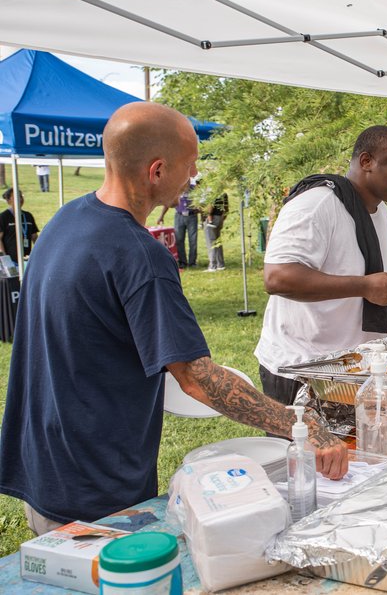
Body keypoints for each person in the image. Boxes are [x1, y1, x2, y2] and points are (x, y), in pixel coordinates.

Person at [0, 102, 348, 535]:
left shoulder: (66, 218)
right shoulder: (138, 255)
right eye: (190, 164)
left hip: (45, 465)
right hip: (95, 489)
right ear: (158, 170)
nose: (194, 176)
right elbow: (197, 378)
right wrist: (302, 426)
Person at [255, 126, 387, 406]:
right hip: (302, 370)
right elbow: (278, 278)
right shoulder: (317, 204)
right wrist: (365, 287)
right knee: (306, 451)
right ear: (366, 162)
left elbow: (382, 267)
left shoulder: (378, 208)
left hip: (355, 366)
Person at [157, 179, 200, 268]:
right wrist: (161, 216)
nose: (186, 183)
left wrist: (200, 210)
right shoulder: (177, 190)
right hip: (179, 216)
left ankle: (192, 262)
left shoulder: (195, 190)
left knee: (193, 240)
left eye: (187, 181)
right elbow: (168, 203)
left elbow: (201, 203)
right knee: (179, 239)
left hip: (191, 216)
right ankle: (182, 262)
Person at [0, 188, 39, 260]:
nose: (20, 199)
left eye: (21, 196)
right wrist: (4, 258)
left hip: (26, 259)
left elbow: (34, 237)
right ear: (8, 200)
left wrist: (39, 252)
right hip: (11, 260)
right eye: (16, 196)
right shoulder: (3, 217)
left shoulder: (28, 216)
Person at [204, 191, 229, 272]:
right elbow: (226, 208)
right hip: (219, 217)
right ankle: (220, 264)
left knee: (211, 242)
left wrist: (209, 218)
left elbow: (210, 207)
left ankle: (212, 265)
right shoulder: (224, 194)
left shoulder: (211, 192)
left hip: (212, 218)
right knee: (218, 242)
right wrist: (222, 219)